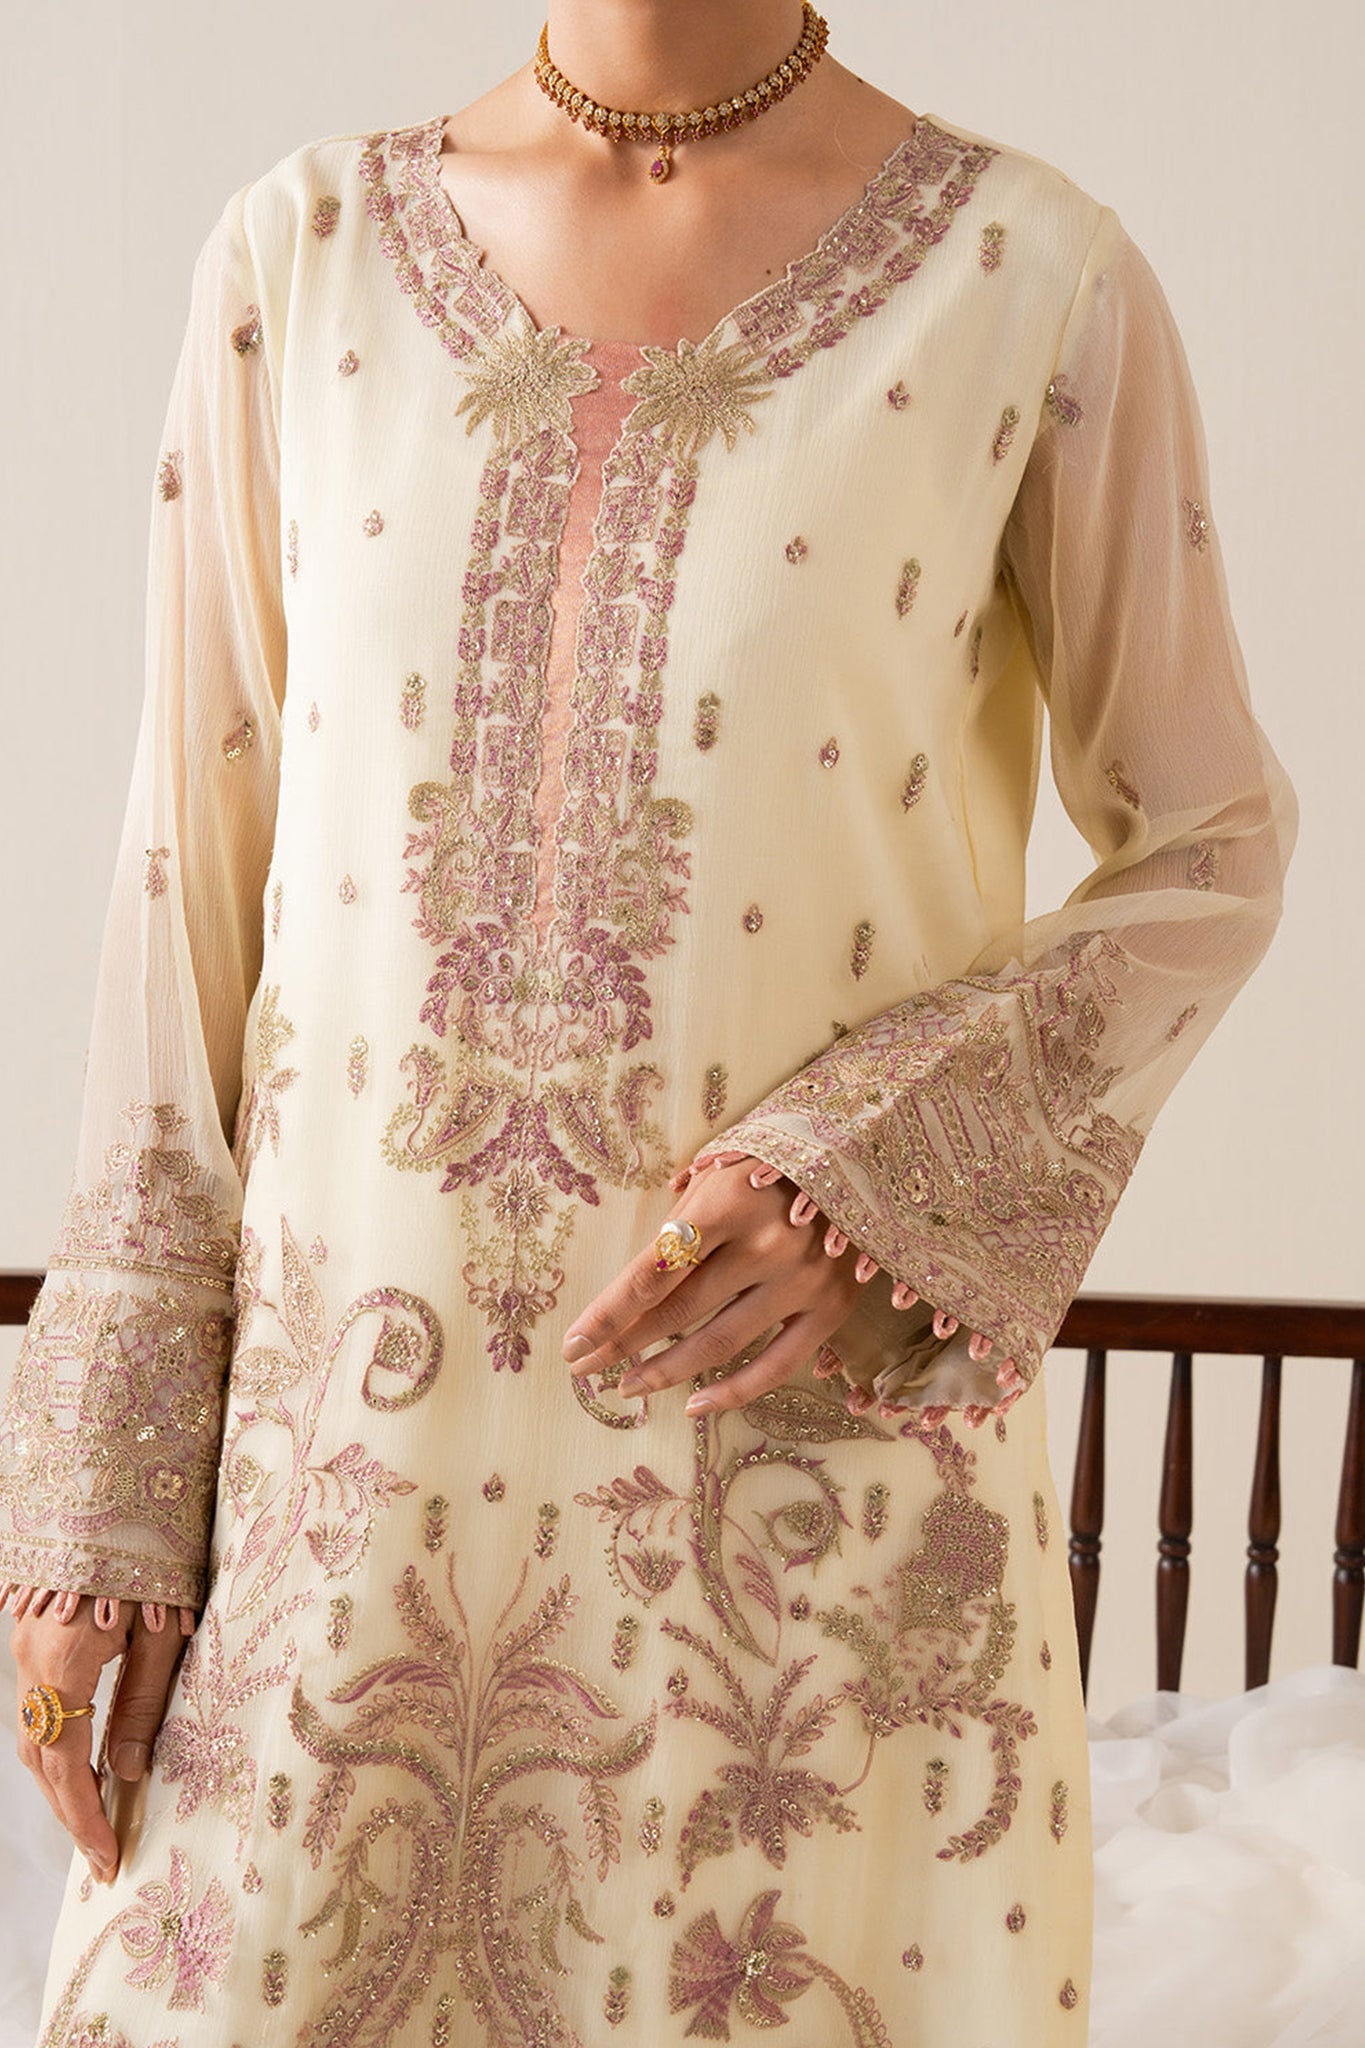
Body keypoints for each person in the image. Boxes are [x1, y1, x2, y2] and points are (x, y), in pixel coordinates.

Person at [1, 3, 1296, 2041]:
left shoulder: (1028, 279)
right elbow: (184, 890)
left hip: (790, 1518)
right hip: (337, 1507)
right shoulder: (299, 257)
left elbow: (1212, 839)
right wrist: (101, 1505)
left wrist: (876, 1168)